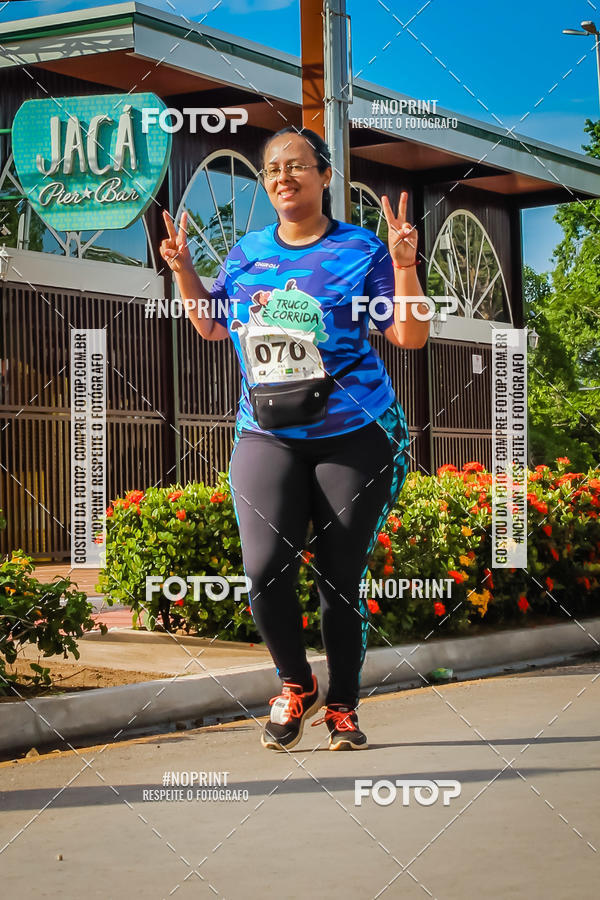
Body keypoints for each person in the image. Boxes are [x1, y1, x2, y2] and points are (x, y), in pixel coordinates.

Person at [159, 126, 430, 752]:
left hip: (353, 433)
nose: (284, 176)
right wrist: (184, 271)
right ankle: (294, 682)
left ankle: (342, 707)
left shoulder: (363, 250)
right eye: (273, 169)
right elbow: (208, 325)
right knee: (262, 569)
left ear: (325, 175)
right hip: (267, 431)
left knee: (339, 575)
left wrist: (407, 266)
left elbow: (410, 338)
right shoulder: (247, 252)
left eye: (298, 165)